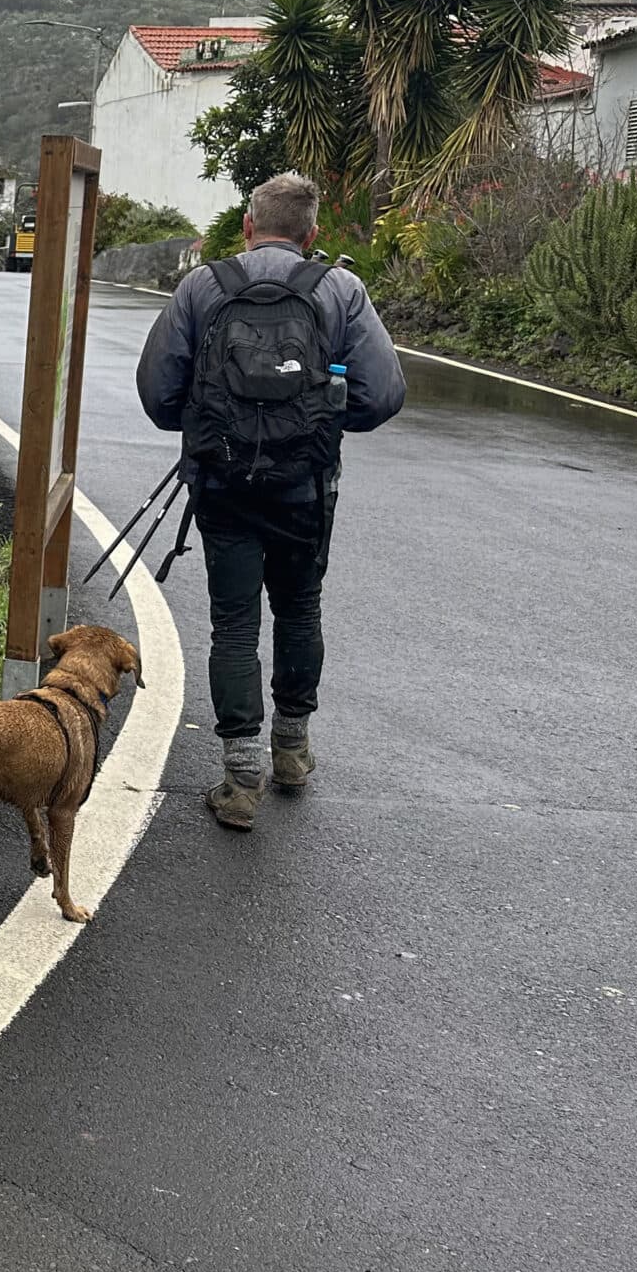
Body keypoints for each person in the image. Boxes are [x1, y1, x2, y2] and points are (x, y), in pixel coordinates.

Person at [135, 172, 405, 829]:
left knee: (233, 624)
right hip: (305, 487)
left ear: (248, 225)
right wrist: (318, 424)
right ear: (312, 235)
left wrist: (210, 425)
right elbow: (382, 394)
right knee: (300, 609)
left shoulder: (203, 286)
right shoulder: (340, 289)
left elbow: (158, 393)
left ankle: (239, 778)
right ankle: (291, 751)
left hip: (224, 485)